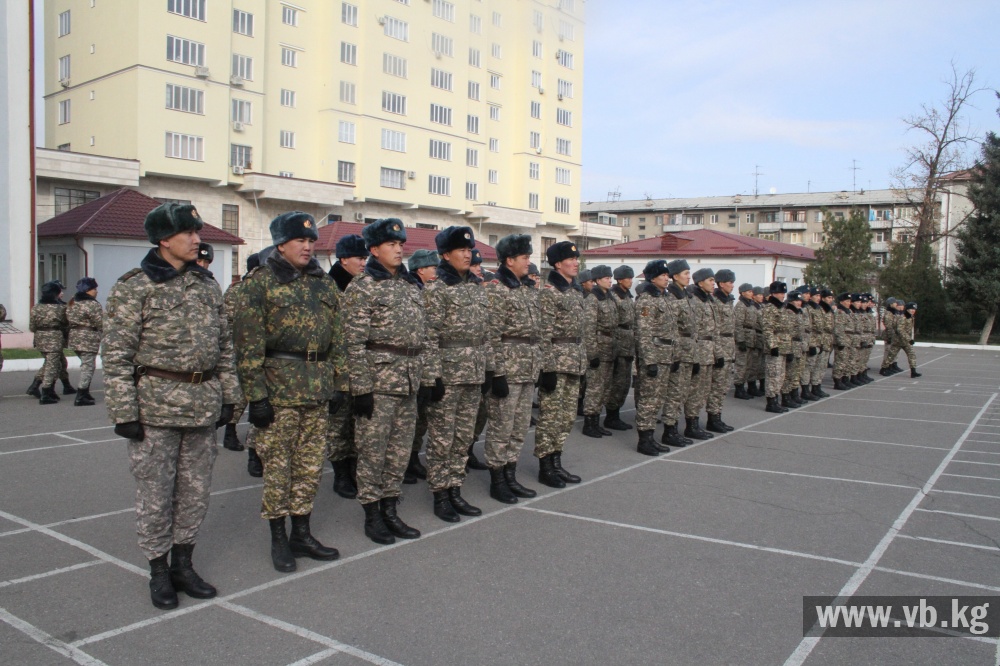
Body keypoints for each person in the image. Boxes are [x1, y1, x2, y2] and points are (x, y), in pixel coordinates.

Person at [103, 202, 239, 609]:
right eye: (188, 234)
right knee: (156, 493)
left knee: (195, 492)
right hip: (155, 408)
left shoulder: (206, 285)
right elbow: (117, 355)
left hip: (202, 405)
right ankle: (159, 570)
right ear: (164, 240)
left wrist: (231, 397)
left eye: (197, 232)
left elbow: (225, 348)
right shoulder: (134, 286)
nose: (197, 240)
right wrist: (124, 412)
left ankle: (184, 563)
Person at [234, 212, 346, 572]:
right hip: (279, 390)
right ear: (281, 243)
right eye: (300, 240)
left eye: (311, 241)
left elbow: (338, 338)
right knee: (279, 469)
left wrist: (340, 383)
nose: (307, 246)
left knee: (310, 467)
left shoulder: (323, 284)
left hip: (317, 387)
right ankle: (278, 539)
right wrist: (256, 397)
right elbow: (247, 346)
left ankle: (302, 533)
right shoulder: (259, 283)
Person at [344, 218, 436, 545]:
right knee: (373, 451)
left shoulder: (412, 285)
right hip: (378, 382)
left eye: (401, 244)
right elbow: (352, 343)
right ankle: (372, 514)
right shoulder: (363, 286)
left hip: (409, 380)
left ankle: (390, 508)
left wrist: (426, 378)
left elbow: (424, 336)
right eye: (391, 245)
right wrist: (361, 388)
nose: (399, 249)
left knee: (399, 452)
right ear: (373, 250)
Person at [422, 226, 491, 522]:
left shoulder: (477, 287)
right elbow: (429, 336)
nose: (468, 254)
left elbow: (485, 332)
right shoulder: (436, 290)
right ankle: (440, 493)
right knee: (442, 438)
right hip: (447, 375)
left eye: (469, 249)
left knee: (463, 437)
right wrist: (432, 377)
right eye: (461, 250)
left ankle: (455, 488)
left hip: (473, 372)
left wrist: (488, 368)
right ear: (445, 255)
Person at [483, 234, 541, 502]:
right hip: (508, 368)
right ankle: (497, 479)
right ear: (510, 260)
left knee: (518, 428)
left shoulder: (526, 289)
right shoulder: (496, 289)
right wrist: (497, 373)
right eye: (525, 258)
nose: (529, 262)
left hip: (527, 367)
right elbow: (491, 334)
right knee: (501, 427)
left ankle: (510, 474)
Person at [536, 241, 587, 487]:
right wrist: (547, 368)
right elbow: (543, 333)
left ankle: (557, 462)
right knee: (550, 417)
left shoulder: (576, 292)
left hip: (574, 362)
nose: (576, 263)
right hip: (556, 363)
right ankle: (545, 466)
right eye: (571, 259)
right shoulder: (548, 292)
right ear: (558, 264)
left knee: (567, 417)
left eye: (577, 259)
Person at [326, 234, 370, 498]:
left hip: (362, 364)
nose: (363, 263)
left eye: (366, 258)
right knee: (339, 424)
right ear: (343, 260)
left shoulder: (363, 286)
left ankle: (354, 469)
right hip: (338, 365)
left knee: (358, 422)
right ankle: (341, 475)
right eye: (359, 258)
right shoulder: (331, 286)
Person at [401, 248, 439, 486]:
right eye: (432, 267)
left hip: (426, 366)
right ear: (420, 270)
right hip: (411, 366)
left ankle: (413, 458)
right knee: (409, 421)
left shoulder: (427, 291)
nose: (436, 271)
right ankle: (404, 462)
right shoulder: (413, 291)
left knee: (421, 419)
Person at [633, 260, 675, 456]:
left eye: (667, 275)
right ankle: (644, 439)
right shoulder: (646, 300)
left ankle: (651, 437)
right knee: (648, 399)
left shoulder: (665, 298)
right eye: (663, 275)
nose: (667, 278)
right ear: (652, 278)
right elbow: (643, 332)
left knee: (658, 399)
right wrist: (649, 361)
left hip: (666, 354)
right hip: (654, 356)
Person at [661, 260, 701, 445]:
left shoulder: (688, 296)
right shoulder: (671, 298)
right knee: (675, 392)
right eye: (685, 273)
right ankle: (669, 430)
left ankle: (678, 428)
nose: (688, 276)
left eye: (689, 272)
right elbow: (671, 329)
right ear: (675, 276)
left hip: (690, 350)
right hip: (678, 351)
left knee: (684, 391)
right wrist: (675, 355)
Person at [581, 265, 618, 438]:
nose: (609, 280)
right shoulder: (592, 299)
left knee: (605, 387)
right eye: (606, 278)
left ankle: (597, 421)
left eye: (610, 277)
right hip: (599, 348)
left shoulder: (609, 298)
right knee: (595, 387)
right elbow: (588, 328)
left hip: (610, 347)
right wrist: (592, 353)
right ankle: (589, 422)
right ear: (596, 280)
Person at [684, 267, 718, 439]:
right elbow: (693, 331)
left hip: (709, 351)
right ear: (700, 282)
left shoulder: (709, 300)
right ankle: (691, 424)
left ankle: (696, 421)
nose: (713, 283)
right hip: (699, 351)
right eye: (710, 280)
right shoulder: (695, 301)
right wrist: (695, 357)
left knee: (704, 390)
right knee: (694, 390)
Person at [605, 265, 636, 431]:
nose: (630, 281)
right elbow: (613, 323)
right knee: (617, 382)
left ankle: (615, 413)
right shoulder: (614, 297)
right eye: (628, 278)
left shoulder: (628, 297)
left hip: (628, 344)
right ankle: (611, 415)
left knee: (624, 382)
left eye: (631, 278)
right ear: (619, 279)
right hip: (619, 344)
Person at [29, 281, 70, 405]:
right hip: (54, 338)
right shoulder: (60, 308)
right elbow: (65, 323)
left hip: (40, 338)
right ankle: (46, 392)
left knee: (51, 363)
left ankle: (38, 387)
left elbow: (32, 326)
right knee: (52, 365)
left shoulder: (36, 307)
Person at [706, 269, 737, 432]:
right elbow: (714, 329)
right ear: (721, 283)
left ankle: (717, 415)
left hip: (729, 345)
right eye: (730, 282)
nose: (732, 285)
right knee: (716, 385)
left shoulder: (728, 301)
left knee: (724, 385)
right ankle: (712, 417)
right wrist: (718, 353)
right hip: (719, 347)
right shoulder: (715, 301)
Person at [66, 277, 103, 406]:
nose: (96, 291)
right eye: (94, 289)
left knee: (86, 364)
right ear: (87, 290)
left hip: (75, 337)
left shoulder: (72, 302)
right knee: (88, 367)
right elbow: (100, 322)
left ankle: (85, 391)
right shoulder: (92, 304)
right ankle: (81, 394)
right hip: (88, 338)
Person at [761, 281, 791, 412]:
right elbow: (767, 329)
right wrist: (772, 346)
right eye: (780, 293)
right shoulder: (769, 308)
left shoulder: (782, 307)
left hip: (784, 346)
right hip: (775, 347)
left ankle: (776, 399)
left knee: (780, 375)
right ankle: (771, 402)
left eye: (783, 293)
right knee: (773, 374)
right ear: (773, 293)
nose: (782, 295)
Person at [780, 291, 808, 408]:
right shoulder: (789, 313)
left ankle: (794, 394)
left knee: (796, 372)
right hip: (792, 344)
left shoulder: (798, 313)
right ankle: (786, 396)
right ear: (791, 301)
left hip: (799, 345)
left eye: (800, 300)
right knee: (789, 373)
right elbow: (788, 333)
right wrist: (789, 350)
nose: (799, 302)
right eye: (796, 300)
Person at [732, 283, 756, 400]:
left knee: (748, 365)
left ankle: (745, 386)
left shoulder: (750, 305)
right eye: (749, 291)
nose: (752, 293)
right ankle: (739, 388)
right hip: (744, 339)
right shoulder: (741, 306)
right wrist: (740, 340)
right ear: (742, 293)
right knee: (741, 365)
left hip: (751, 338)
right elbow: (738, 324)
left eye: (752, 291)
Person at [832, 292, 857, 390]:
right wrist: (841, 342)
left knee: (847, 361)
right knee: (840, 361)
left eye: (850, 301)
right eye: (847, 301)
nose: (849, 303)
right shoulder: (840, 312)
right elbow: (838, 329)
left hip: (849, 339)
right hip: (843, 340)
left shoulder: (848, 311)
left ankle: (844, 379)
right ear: (841, 301)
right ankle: (837, 381)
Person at [897, 302, 922, 377]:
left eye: (914, 309)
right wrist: (908, 338)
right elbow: (900, 329)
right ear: (907, 309)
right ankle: (884, 369)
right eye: (911, 309)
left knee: (912, 354)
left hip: (906, 340)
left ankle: (913, 371)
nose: (913, 310)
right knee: (891, 355)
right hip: (899, 340)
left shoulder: (911, 317)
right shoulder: (903, 317)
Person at [879, 297, 900, 376]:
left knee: (892, 353)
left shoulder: (893, 313)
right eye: (894, 303)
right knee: (888, 353)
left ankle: (889, 367)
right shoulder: (888, 314)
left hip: (894, 336)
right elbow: (889, 327)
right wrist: (891, 337)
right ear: (891, 304)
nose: (896, 304)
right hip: (889, 336)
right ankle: (884, 368)